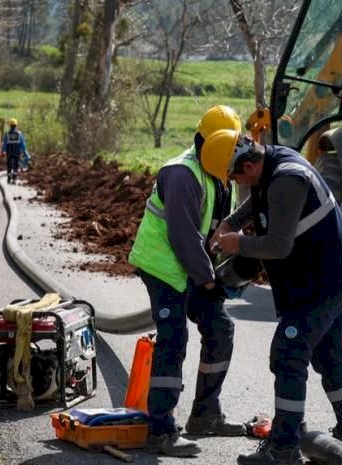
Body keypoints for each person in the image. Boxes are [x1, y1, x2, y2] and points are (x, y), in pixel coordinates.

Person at [201, 129, 342, 465]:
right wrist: (231, 222)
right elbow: (258, 200)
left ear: (246, 166)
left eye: (234, 176)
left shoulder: (287, 180)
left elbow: (278, 245)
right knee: (330, 356)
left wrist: (238, 243)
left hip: (322, 280)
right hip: (325, 275)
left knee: (288, 353)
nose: (236, 183)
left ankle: (284, 449)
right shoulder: (270, 163)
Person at [127, 105, 248, 458]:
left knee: (220, 328)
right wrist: (209, 281)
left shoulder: (216, 171)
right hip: (164, 269)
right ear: (206, 141)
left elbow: (213, 228)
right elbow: (183, 238)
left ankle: (205, 415)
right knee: (173, 338)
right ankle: (161, 430)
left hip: (190, 268)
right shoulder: (182, 174)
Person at [0, 118, 30, 184]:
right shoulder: (19, 134)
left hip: (9, 152)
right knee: (16, 165)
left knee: (9, 165)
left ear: (10, 126)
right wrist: (25, 152)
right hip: (17, 152)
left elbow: (4, 143)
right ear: (16, 126)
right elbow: (22, 144)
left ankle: (9, 178)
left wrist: (3, 151)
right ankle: (14, 179)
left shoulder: (7, 134)